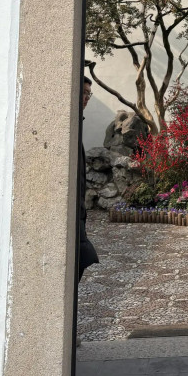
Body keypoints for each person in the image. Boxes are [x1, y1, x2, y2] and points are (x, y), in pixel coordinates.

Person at [78, 76, 99, 282]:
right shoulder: (70, 126)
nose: (86, 98)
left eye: (89, 94)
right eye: (84, 93)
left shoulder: (76, 124)